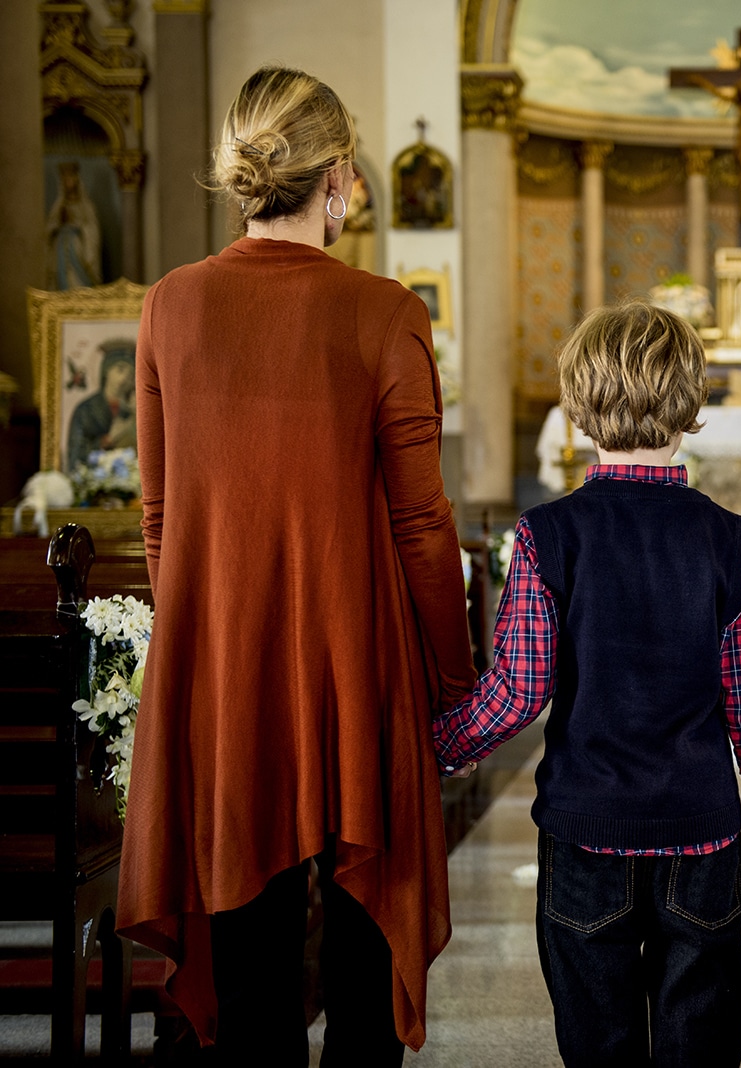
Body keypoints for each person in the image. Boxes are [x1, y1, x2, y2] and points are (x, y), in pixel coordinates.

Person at [118, 66, 476, 1066]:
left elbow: (161, 515)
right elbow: (421, 524)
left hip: (226, 672)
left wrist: (199, 637)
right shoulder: (386, 311)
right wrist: (452, 683)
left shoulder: (170, 306)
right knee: (364, 992)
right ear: (342, 180)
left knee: (253, 977)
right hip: (356, 666)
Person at [433, 299, 741, 1068]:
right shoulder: (726, 539)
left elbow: (519, 689)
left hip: (584, 831)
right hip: (698, 834)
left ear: (577, 406)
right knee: (698, 1048)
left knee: (598, 1047)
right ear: (693, 401)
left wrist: (437, 745)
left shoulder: (547, 534)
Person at [65, 341, 135, 470]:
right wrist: (107, 440)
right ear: (106, 370)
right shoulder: (86, 409)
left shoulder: (133, 411)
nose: (125, 377)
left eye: (131, 374)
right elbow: (75, 453)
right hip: (93, 482)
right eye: (120, 370)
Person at [46, 160, 101, 290]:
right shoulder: (59, 206)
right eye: (64, 178)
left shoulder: (86, 206)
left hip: (78, 248)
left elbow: (93, 230)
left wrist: (77, 223)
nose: (68, 181)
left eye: (70, 177)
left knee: (77, 282)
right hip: (60, 250)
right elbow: (48, 229)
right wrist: (58, 224)